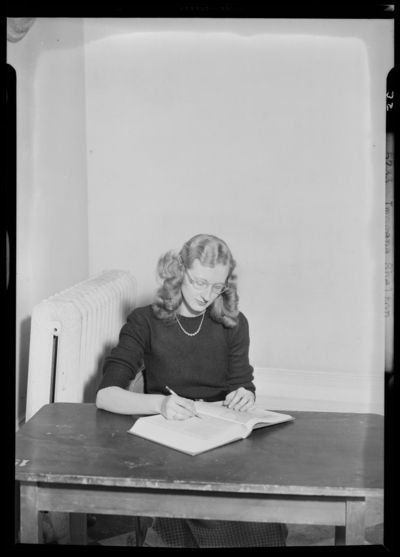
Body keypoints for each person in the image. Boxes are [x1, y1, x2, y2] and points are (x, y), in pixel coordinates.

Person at [96, 233, 288, 547]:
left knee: (256, 506)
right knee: (200, 505)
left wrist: (245, 395)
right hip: (170, 430)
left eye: (217, 286)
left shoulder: (234, 324)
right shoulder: (144, 321)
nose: (206, 295)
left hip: (222, 432)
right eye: (199, 282)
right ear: (179, 271)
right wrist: (160, 404)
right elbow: (105, 395)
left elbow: (242, 382)